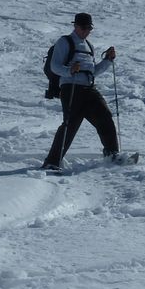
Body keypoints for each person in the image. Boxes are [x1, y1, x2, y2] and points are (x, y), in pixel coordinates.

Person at [41, 12, 119, 171]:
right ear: (75, 26)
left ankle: (112, 155)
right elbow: (54, 66)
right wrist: (70, 70)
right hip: (71, 89)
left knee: (105, 117)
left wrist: (108, 61)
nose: (86, 31)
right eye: (83, 27)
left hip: (89, 88)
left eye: (89, 28)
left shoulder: (89, 46)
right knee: (70, 125)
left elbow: (92, 72)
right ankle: (52, 163)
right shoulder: (64, 42)